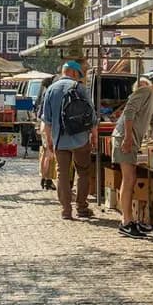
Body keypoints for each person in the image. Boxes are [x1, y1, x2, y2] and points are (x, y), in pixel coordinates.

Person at [112, 71, 153, 239]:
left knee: (130, 179)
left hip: (130, 140)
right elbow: (128, 112)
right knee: (129, 179)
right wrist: (127, 137)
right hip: (125, 139)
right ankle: (126, 222)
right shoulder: (145, 91)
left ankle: (129, 220)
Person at [41, 59, 96, 221]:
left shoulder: (51, 89)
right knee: (83, 172)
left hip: (59, 139)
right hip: (80, 138)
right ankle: (82, 207)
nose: (80, 78)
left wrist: (49, 140)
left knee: (62, 174)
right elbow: (91, 115)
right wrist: (93, 135)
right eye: (79, 74)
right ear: (73, 73)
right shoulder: (81, 89)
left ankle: (66, 210)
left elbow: (47, 119)